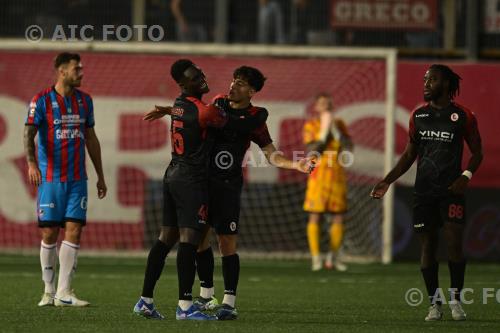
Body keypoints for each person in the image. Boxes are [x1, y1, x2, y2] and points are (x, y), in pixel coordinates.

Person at [142, 66, 315, 320]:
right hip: (202, 183)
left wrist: (296, 164)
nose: (234, 86)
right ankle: (206, 293)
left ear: (252, 91)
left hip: (228, 186)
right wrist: (171, 111)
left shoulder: (256, 119)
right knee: (199, 240)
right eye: (234, 80)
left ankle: (229, 302)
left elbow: (271, 153)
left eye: (242, 83)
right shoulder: (218, 103)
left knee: (226, 243)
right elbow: (198, 115)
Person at [133, 59, 267, 321]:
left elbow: (190, 113)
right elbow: (234, 123)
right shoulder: (206, 111)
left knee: (165, 239)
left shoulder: (182, 104)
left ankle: (145, 300)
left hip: (172, 173)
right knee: (189, 240)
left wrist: (166, 109)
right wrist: (261, 115)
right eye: (196, 76)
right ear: (184, 83)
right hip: (191, 180)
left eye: (201, 73)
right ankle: (185, 306)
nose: (202, 78)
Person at [371, 64, 483, 321]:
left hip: (452, 191)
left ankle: (456, 301)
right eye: (425, 79)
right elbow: (410, 154)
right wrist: (388, 180)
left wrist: (466, 177)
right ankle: (435, 304)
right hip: (424, 193)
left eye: (431, 80)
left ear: (445, 84)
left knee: (454, 242)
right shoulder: (418, 116)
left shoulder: (463, 116)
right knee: (428, 247)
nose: (426, 84)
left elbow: (477, 152)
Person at [24, 52, 107, 307]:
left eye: (81, 69)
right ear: (61, 71)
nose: (81, 73)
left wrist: (100, 175)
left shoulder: (85, 101)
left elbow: (91, 139)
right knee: (49, 233)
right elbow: (28, 134)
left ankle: (64, 292)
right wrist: (31, 163)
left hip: (77, 179)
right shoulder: (42, 100)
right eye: (76, 69)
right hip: (50, 179)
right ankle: (48, 290)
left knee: (75, 230)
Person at [303, 93, 352, 271]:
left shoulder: (339, 124)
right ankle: (316, 258)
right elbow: (312, 150)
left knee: (338, 216)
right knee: (315, 215)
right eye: (322, 104)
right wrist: (324, 133)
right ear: (316, 107)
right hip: (318, 175)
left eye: (329, 104)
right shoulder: (311, 125)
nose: (326, 107)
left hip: (337, 175)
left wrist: (336, 132)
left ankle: (333, 257)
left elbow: (349, 147)